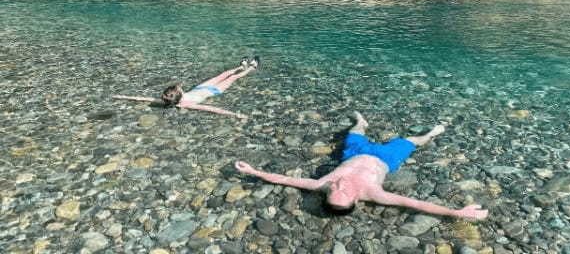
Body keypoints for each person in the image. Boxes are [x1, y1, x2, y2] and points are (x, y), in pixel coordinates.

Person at [235, 111, 489, 219]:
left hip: (354, 153)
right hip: (385, 158)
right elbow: (415, 204)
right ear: (356, 201)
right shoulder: (373, 193)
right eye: (343, 191)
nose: (339, 184)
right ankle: (432, 132)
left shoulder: (321, 184)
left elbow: (285, 179)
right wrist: (456, 212)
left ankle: (361, 120)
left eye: (334, 188)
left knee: (356, 129)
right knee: (413, 140)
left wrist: (253, 171)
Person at [113, 56, 260, 119]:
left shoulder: (168, 100)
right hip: (214, 91)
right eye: (178, 88)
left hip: (200, 87)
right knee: (233, 78)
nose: (178, 86)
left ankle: (240, 66)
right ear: (180, 94)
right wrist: (235, 115)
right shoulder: (188, 104)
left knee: (222, 74)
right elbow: (212, 109)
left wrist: (123, 97)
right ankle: (251, 68)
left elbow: (143, 98)